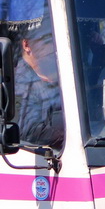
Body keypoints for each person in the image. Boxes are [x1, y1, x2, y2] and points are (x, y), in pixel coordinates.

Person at [14, 19, 64, 150]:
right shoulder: (20, 82)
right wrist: (71, 133)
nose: (53, 45)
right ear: (26, 44)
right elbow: (28, 131)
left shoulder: (61, 74)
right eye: (46, 39)